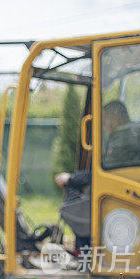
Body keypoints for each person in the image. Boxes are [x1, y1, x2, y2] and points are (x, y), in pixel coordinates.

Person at [54, 100, 130, 248]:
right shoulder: (127, 136)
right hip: (120, 189)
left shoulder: (122, 141)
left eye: (105, 118)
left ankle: (84, 252)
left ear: (114, 119)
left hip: (118, 194)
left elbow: (101, 175)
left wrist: (70, 178)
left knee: (76, 201)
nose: (102, 123)